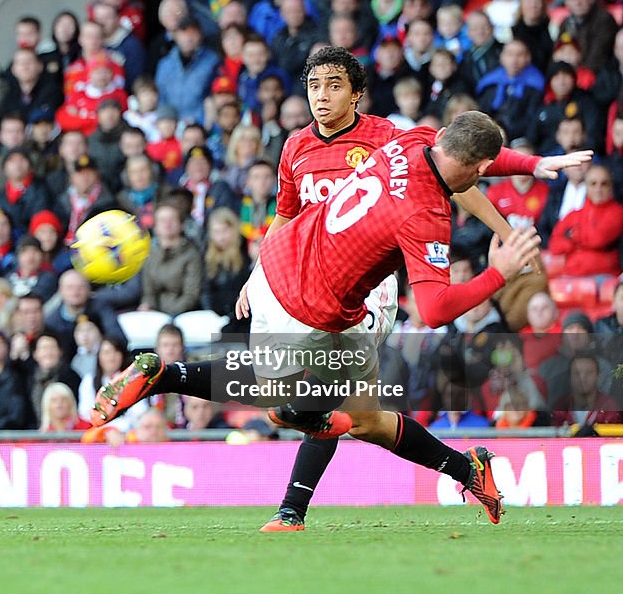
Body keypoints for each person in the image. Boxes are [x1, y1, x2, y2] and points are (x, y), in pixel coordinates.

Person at [95, 48, 590, 529]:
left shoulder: (389, 137)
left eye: (334, 85)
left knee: (329, 406)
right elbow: (288, 214)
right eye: (313, 86)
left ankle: (300, 501)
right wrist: (254, 274)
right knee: (352, 414)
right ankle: (460, 471)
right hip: (296, 273)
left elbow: (460, 168)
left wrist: (517, 198)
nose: (322, 96)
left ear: (357, 95)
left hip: (364, 290)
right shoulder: (297, 147)